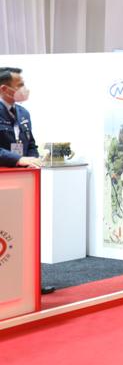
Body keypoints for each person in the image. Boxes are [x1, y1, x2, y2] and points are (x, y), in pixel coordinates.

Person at [0, 67, 50, 294]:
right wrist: (18, 159)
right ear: (4, 88)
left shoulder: (23, 113)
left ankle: (29, 284)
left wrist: (34, 159)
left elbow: (31, 144)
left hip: (22, 184)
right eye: (19, 85)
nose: (24, 89)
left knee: (24, 233)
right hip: (4, 182)